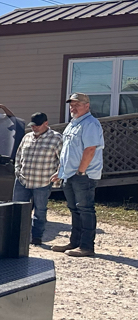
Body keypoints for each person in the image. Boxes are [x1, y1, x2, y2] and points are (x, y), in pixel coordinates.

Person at [51, 92, 105, 257]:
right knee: (74, 209)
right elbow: (67, 152)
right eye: (71, 104)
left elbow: (90, 150)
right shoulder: (73, 124)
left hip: (84, 175)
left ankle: (87, 246)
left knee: (85, 209)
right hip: (69, 175)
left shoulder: (90, 124)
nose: (73, 107)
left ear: (87, 106)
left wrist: (81, 171)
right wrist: (60, 172)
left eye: (77, 104)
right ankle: (75, 242)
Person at [0, 108, 61, 245]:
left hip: (43, 181)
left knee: (40, 211)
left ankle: (36, 237)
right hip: (23, 180)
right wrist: (17, 170)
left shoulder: (56, 138)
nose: (34, 127)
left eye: (37, 125)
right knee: (18, 209)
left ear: (46, 123)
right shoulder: (27, 137)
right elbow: (19, 155)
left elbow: (63, 159)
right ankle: (16, 236)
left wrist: (59, 174)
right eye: (32, 125)